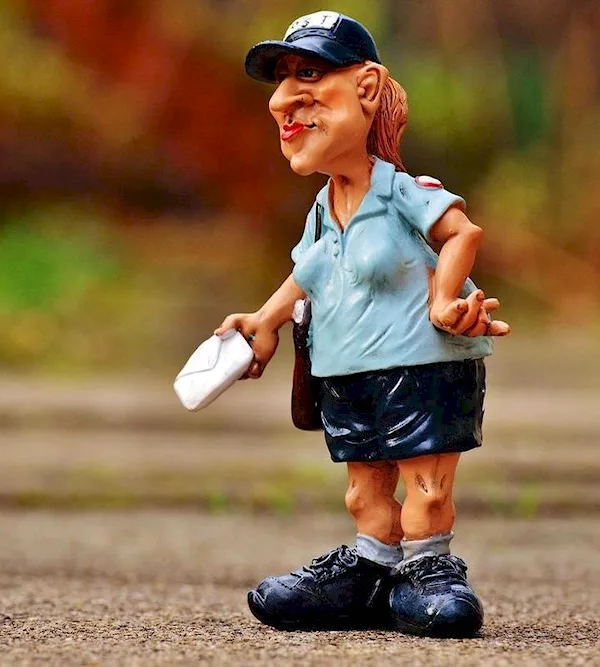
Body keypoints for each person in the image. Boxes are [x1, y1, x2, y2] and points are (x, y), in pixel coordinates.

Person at [217, 11, 511, 638]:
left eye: (310, 75)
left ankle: (428, 572)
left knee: (425, 484)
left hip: (420, 365)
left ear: (368, 89)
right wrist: (265, 321)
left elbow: (462, 232)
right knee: (363, 490)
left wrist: (443, 298)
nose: (282, 101)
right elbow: (312, 271)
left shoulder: (401, 191)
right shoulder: (323, 207)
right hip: (347, 371)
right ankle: (371, 570)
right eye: (282, 82)